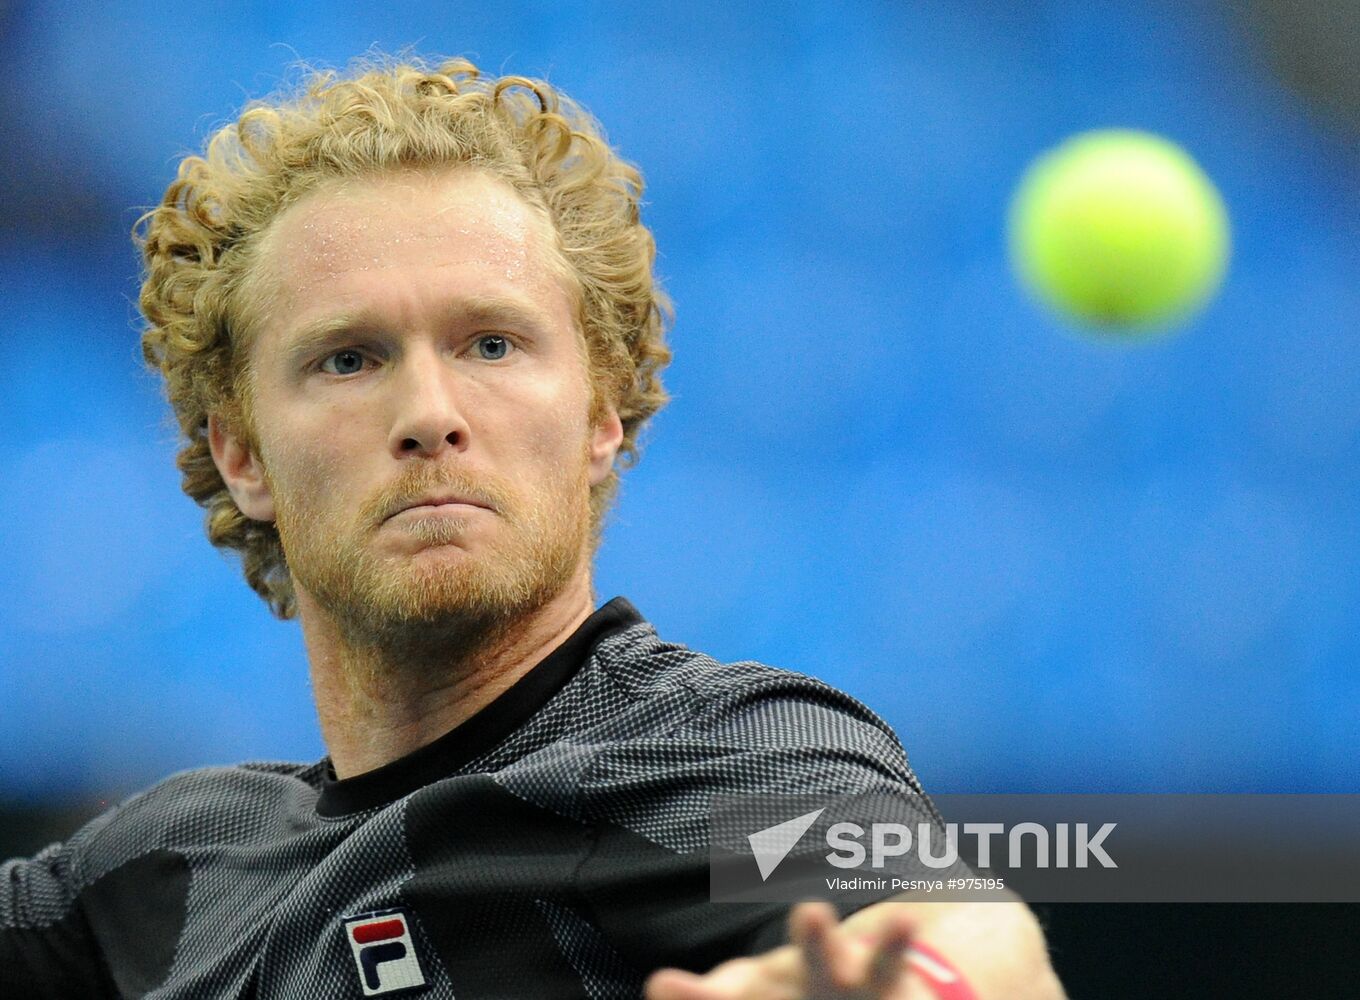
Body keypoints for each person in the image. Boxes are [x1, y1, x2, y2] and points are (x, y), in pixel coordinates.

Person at [0, 55, 1063, 999]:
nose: (429, 414)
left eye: (493, 344)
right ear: (242, 455)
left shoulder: (711, 756)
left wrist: (908, 982)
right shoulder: (165, 865)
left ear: (601, 415)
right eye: (348, 358)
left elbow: (961, 930)